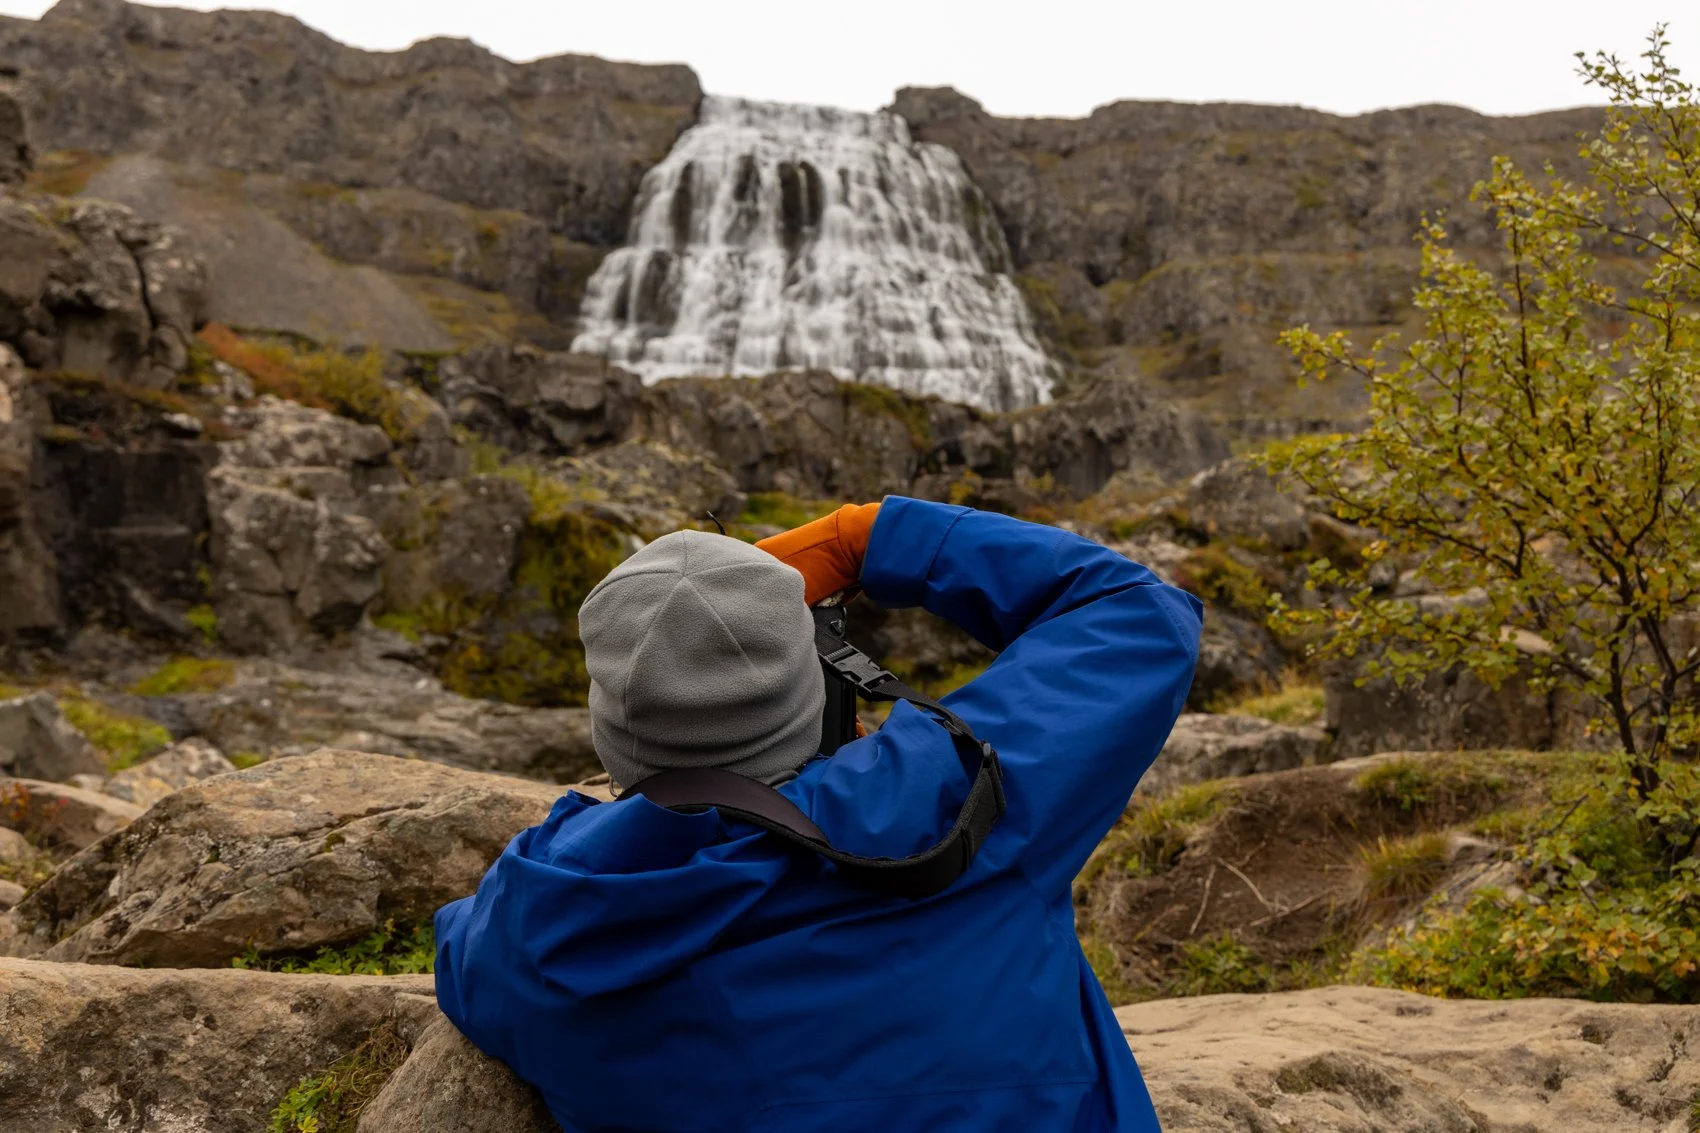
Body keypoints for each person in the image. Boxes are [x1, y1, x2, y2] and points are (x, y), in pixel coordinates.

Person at [435, 496, 1203, 1132]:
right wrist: (869, 537)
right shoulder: (962, 793)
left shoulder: (535, 925)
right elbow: (1138, 610)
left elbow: (463, 936)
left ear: (611, 728)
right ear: (821, 687)